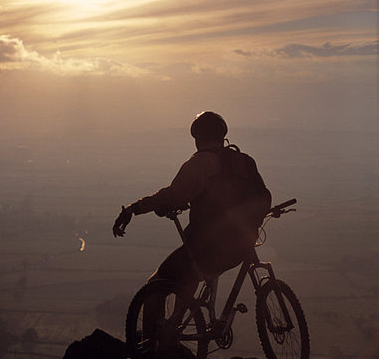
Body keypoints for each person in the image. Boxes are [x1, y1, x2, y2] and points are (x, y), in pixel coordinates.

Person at [113, 111, 271, 298]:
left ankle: (159, 327)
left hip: (209, 248)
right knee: (189, 276)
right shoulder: (243, 160)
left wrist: (134, 209)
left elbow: (172, 195)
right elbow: (261, 195)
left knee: (156, 285)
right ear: (222, 135)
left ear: (197, 137)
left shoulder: (200, 163)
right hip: (244, 244)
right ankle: (186, 319)